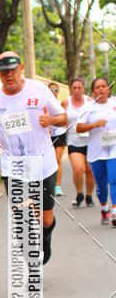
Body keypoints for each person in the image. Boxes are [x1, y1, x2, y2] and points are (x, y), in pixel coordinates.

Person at [0, 51, 67, 264]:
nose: (9, 76)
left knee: (46, 219)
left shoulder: (39, 90)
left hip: (43, 162)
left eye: (12, 71)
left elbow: (63, 118)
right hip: (13, 165)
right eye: (3, 73)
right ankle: (32, 262)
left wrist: (51, 120)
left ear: (21, 68)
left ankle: (45, 237)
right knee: (22, 217)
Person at [75, 77, 116, 226]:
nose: (101, 89)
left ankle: (115, 212)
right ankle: (105, 208)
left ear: (108, 89)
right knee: (101, 183)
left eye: (104, 86)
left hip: (114, 150)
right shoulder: (88, 107)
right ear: (93, 91)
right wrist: (94, 125)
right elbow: (78, 128)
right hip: (96, 151)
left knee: (114, 179)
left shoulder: (114, 104)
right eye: (97, 87)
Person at [64, 77, 95, 207]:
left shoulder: (90, 101)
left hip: (90, 141)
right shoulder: (66, 103)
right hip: (73, 141)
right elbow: (60, 117)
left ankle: (89, 196)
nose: (77, 90)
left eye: (79, 88)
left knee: (90, 172)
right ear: (71, 89)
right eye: (74, 88)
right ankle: (79, 193)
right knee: (78, 169)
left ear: (83, 88)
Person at [48, 81, 67, 196]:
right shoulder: (43, 103)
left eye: (55, 90)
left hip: (60, 134)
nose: (53, 92)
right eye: (51, 90)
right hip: (47, 135)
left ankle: (57, 186)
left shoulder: (60, 104)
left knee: (57, 159)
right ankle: (48, 185)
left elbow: (66, 117)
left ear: (58, 92)